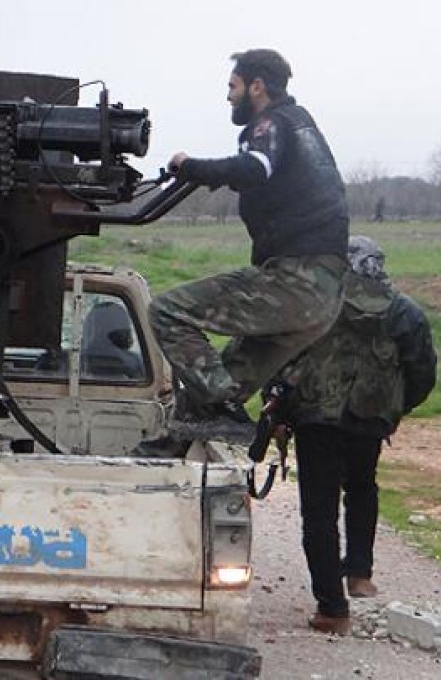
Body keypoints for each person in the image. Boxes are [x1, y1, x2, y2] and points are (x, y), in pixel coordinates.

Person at [149, 49, 349, 429]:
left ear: (257, 86)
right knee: (210, 399)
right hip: (325, 295)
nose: (228, 96)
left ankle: (219, 407)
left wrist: (189, 167)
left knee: (166, 311)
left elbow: (255, 168)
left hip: (297, 281)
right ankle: (199, 433)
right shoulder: (302, 124)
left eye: (233, 86)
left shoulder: (271, 124)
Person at [275, 235, 436, 635]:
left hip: (316, 419)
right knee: (363, 487)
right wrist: (393, 410)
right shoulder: (405, 312)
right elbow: (422, 372)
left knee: (319, 511)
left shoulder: (316, 304)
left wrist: (278, 404)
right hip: (369, 418)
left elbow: (280, 355)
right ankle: (359, 573)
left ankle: (332, 609)